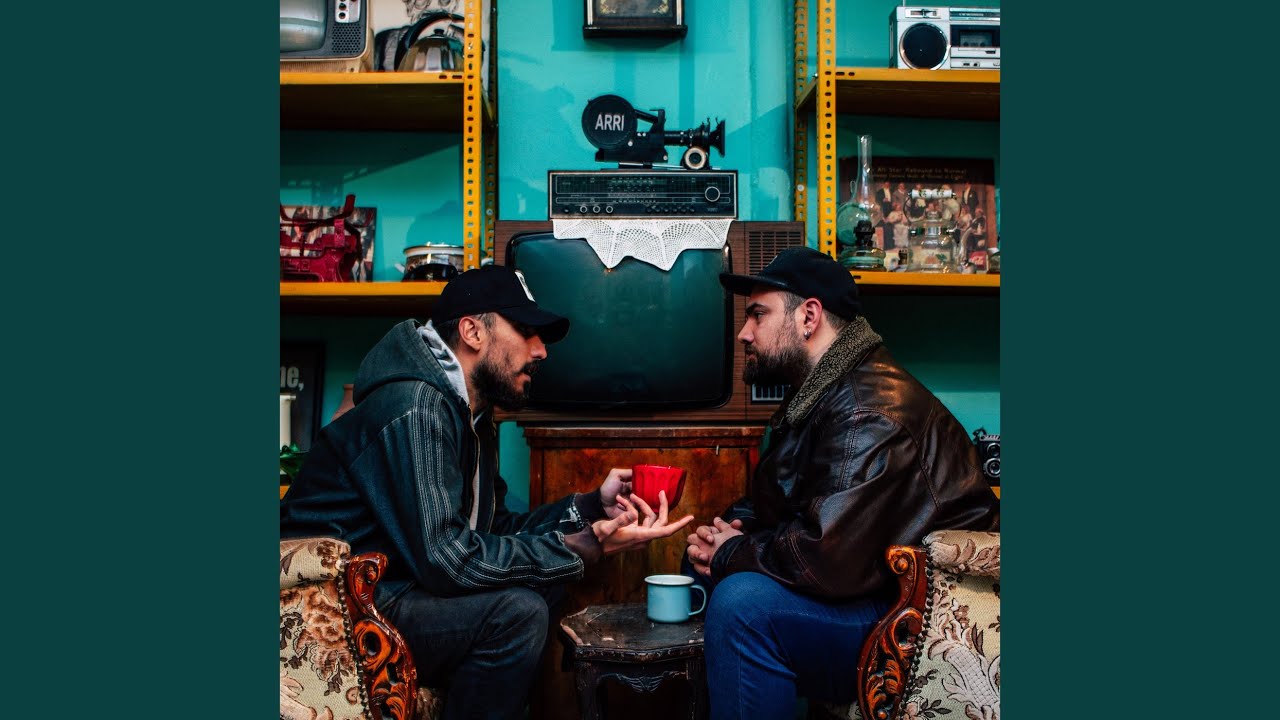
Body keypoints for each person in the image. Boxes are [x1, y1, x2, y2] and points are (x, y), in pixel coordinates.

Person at [281, 265, 693, 720]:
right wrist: (581, 547)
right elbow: (447, 558)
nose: (541, 351)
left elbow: (492, 530)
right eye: (526, 331)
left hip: (392, 585)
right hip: (334, 600)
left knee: (540, 584)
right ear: (472, 332)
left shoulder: (469, 414)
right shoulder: (417, 405)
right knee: (517, 612)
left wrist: (591, 507)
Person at [685, 247, 999, 720]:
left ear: (809, 317)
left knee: (742, 606)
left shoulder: (867, 408)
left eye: (758, 314)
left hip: (920, 613)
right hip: (867, 588)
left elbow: (825, 555)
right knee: (698, 571)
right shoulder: (821, 393)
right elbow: (783, 500)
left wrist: (731, 552)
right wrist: (725, 534)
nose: (745, 333)